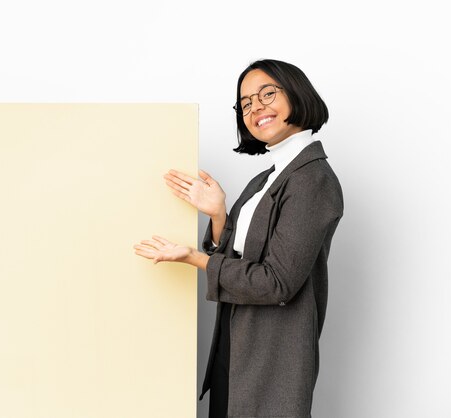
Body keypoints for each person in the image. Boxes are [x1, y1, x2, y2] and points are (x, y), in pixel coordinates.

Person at [134, 59, 343, 418]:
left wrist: (193, 258)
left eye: (267, 94)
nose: (255, 107)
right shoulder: (264, 180)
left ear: (297, 95)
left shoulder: (313, 180)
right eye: (245, 103)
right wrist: (218, 214)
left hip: (273, 354)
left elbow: (276, 283)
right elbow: (240, 262)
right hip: (236, 341)